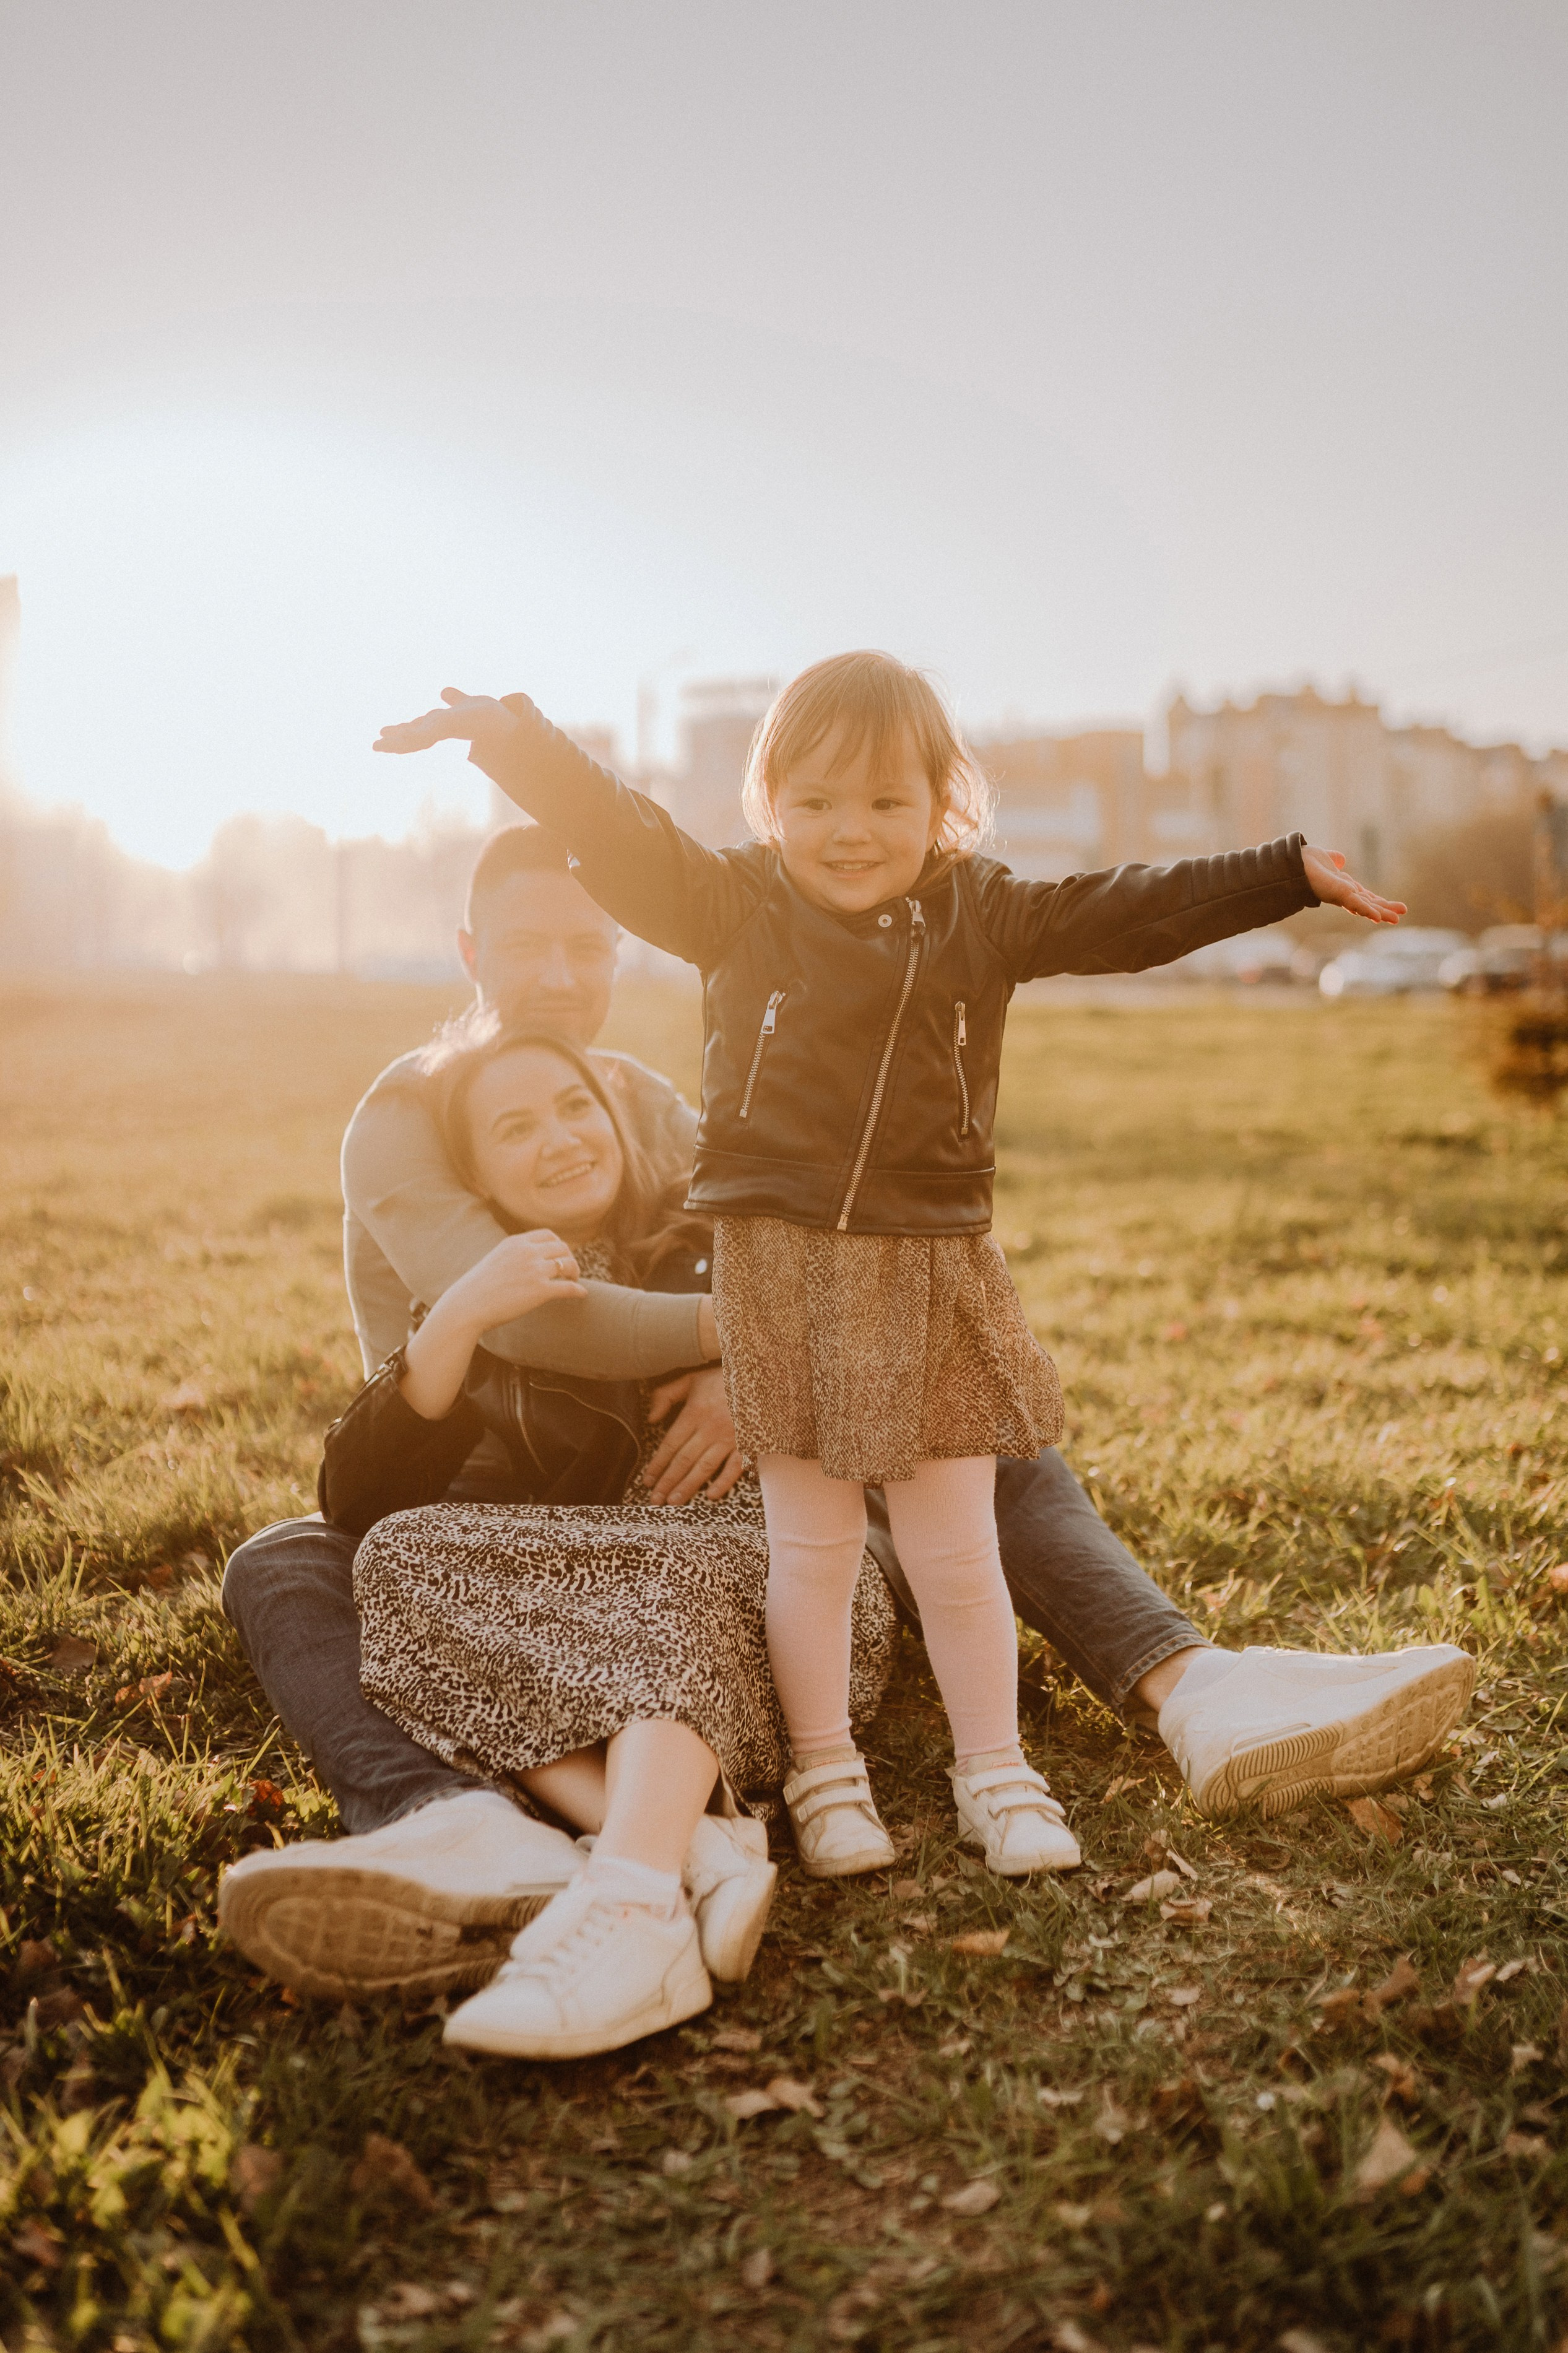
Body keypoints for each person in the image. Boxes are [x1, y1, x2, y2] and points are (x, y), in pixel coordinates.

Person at [219, 814, 1473, 2001]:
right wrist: (757, 1340)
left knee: (954, 1429)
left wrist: (745, 1367)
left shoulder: (641, 1097)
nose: (557, 972)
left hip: (682, 1495)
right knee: (285, 1564)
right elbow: (542, 1319)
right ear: (469, 953)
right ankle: (449, 1827)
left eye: (583, 941)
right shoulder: (414, 1105)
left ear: (618, 947)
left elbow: (789, 1249)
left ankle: (1196, 1691)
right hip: (478, 1498)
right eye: (525, 944)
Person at [225, 1022, 898, 2056]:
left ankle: (628, 1900)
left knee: (671, 1560)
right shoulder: (504, 1286)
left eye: (575, 1106)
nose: (560, 1139)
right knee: (400, 1562)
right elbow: (359, 1506)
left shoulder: (723, 1230)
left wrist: (745, 1366)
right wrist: (451, 1326)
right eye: (515, 1128)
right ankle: (694, 1853)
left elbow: (876, 1332)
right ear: (478, 1172)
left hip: (791, 1610)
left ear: (617, 1119)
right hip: (617, 1623)